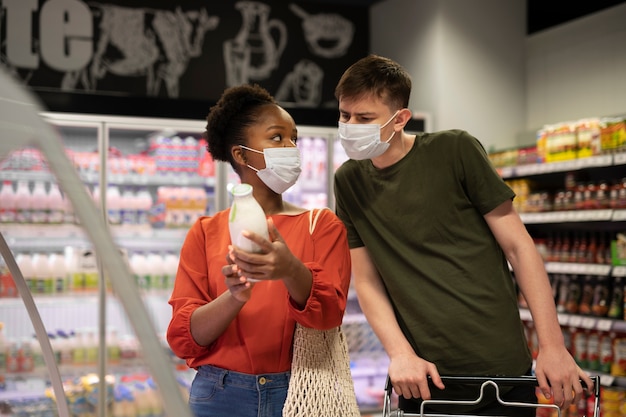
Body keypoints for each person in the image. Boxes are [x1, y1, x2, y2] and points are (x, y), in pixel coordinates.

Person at [332, 54, 593, 416]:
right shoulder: (348, 181)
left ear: (400, 119)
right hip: (422, 375)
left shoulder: (455, 150)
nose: (350, 126)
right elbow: (367, 280)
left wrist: (552, 346)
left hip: (498, 367)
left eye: (364, 118)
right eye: (345, 116)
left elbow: (519, 248)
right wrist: (400, 353)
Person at [166, 84, 352, 417]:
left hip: (300, 392)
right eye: (277, 138)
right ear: (241, 154)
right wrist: (234, 296)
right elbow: (185, 338)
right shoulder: (205, 232)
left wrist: (290, 269)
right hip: (218, 395)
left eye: (294, 138)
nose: (291, 147)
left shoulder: (322, 226)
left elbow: (329, 314)